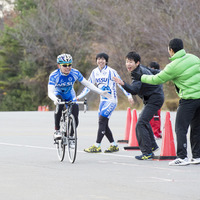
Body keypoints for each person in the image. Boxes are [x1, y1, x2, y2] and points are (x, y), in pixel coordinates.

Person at [132, 38, 200, 166]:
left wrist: (141, 77)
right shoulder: (194, 58)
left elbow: (158, 79)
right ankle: (197, 156)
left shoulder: (173, 66)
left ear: (171, 50)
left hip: (189, 99)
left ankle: (182, 157)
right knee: (196, 128)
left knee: (180, 128)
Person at [76, 53, 134, 153]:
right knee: (104, 124)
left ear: (106, 61)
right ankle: (113, 145)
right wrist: (79, 97)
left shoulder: (111, 72)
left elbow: (120, 84)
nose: (100, 61)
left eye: (103, 59)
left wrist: (129, 95)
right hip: (102, 101)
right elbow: (88, 86)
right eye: (98, 59)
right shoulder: (94, 72)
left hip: (111, 101)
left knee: (102, 121)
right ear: (96, 61)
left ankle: (97, 145)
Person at [113, 51, 164, 160]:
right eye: (127, 62)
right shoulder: (142, 68)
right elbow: (157, 72)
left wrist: (122, 83)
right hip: (154, 97)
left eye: (131, 62)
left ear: (137, 63)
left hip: (154, 99)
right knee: (143, 120)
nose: (128, 64)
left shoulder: (137, 73)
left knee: (140, 124)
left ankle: (147, 153)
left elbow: (134, 90)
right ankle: (153, 146)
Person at [48, 53, 111, 140]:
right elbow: (50, 92)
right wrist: (55, 99)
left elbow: (88, 84)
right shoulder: (54, 75)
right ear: (59, 66)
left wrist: (101, 92)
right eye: (65, 65)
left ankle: (70, 136)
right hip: (58, 94)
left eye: (69, 65)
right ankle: (57, 130)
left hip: (70, 95)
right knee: (59, 104)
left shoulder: (75, 73)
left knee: (75, 118)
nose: (68, 67)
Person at [149, 62, 162, 139]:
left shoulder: (157, 77)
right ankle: (157, 132)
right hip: (151, 100)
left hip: (156, 100)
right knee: (152, 117)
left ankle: (156, 133)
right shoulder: (150, 78)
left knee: (156, 117)